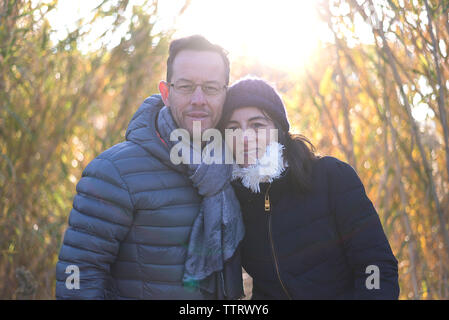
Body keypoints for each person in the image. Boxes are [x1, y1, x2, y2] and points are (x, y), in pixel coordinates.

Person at [55, 35, 245, 300]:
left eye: (211, 88)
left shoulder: (237, 167)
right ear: (166, 93)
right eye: (186, 86)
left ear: (226, 94)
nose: (199, 99)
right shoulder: (114, 172)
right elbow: (76, 277)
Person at [218, 76, 400, 299]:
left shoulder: (332, 177)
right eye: (233, 128)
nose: (244, 138)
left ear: (278, 130)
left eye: (257, 125)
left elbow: (377, 268)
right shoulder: (231, 198)